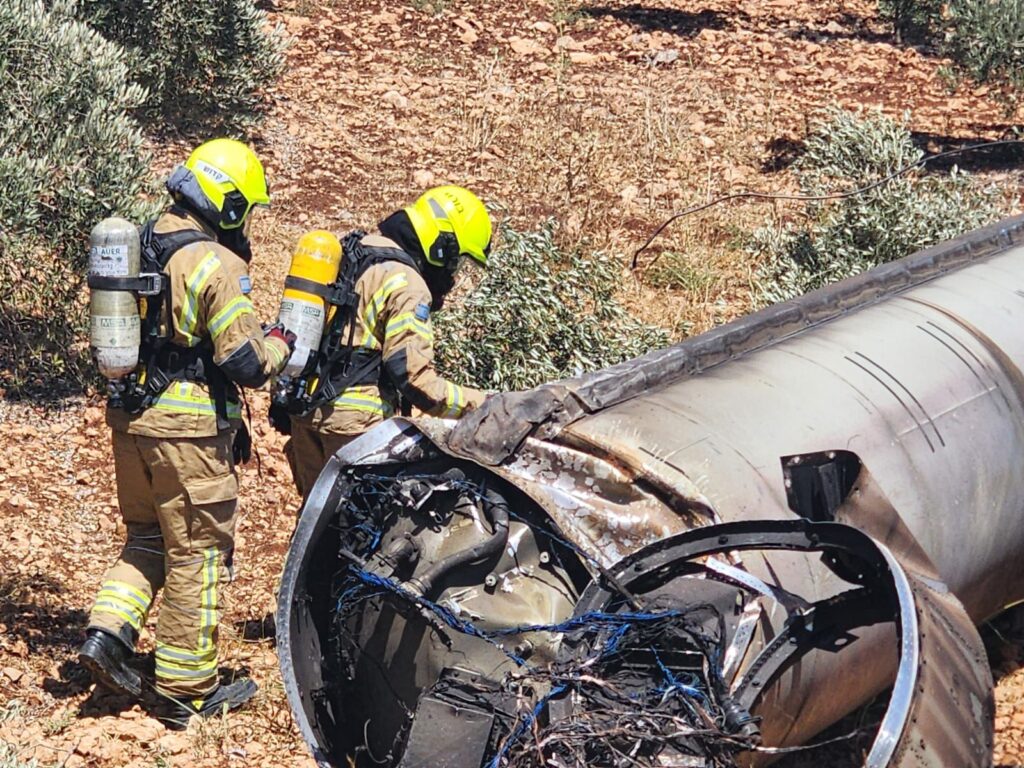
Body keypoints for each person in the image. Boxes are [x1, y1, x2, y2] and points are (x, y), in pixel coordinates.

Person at [78, 139, 294, 717]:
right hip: (188, 432)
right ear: (225, 205)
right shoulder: (214, 263)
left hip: (130, 419)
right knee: (197, 552)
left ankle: (106, 636)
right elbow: (245, 364)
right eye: (245, 209)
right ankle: (186, 690)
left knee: (146, 538)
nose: (246, 222)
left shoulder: (141, 244)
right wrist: (281, 343)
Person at [272, 185, 492, 500]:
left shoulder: (353, 250)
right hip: (356, 430)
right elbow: (417, 382)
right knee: (361, 530)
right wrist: (484, 405)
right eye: (456, 262)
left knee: (316, 524)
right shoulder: (407, 283)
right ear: (442, 246)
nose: (453, 275)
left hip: (305, 415)